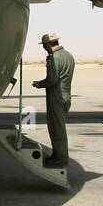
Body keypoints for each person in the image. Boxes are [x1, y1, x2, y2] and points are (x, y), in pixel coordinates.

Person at [31, 32, 74, 168]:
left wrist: (40, 84)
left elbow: (53, 79)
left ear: (48, 44)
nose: (44, 48)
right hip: (66, 95)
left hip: (56, 97)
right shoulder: (68, 56)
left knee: (57, 128)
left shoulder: (54, 58)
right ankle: (57, 155)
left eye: (44, 45)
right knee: (58, 126)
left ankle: (61, 158)